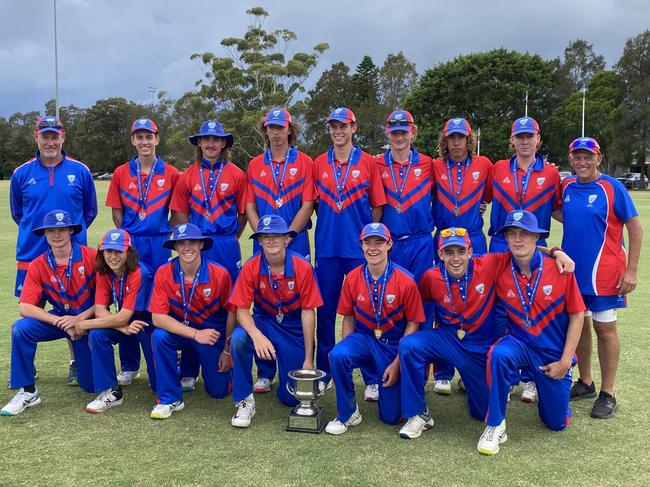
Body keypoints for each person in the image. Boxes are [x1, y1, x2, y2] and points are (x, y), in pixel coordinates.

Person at [400, 226, 575, 439]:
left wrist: (556, 251)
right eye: (449, 252)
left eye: (460, 251)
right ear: (440, 254)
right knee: (409, 345)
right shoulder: (431, 277)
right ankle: (418, 414)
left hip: (480, 349)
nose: (455, 258)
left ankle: (473, 383)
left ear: (470, 251)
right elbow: (420, 307)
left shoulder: (490, 264)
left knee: (481, 412)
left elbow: (521, 248)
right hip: (448, 341)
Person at [478, 210, 585, 455]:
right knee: (498, 354)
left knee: (556, 424)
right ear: (505, 238)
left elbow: (578, 314)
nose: (518, 239)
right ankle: (495, 425)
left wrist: (565, 361)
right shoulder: (500, 264)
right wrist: (555, 249)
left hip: (552, 355)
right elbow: (463, 261)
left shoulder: (560, 270)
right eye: (512, 234)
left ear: (537, 237)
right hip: (520, 345)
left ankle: (544, 387)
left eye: (525, 234)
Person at [10, 115, 98, 385]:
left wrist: (67, 238)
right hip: (31, 253)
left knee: (76, 305)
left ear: (63, 137)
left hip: (72, 254)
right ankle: (28, 367)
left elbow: (89, 212)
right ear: (36, 137)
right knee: (30, 308)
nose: (50, 141)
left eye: (54, 136)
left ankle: (75, 362)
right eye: (44, 136)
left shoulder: (79, 171)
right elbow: (18, 213)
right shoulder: (22, 173)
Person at [560, 137, 643, 418]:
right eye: (577, 157)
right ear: (571, 159)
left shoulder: (612, 187)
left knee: (604, 330)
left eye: (588, 157)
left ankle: (608, 393)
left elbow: (635, 227)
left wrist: (631, 269)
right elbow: (564, 214)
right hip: (573, 273)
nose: (582, 162)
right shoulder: (567, 186)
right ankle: (586, 382)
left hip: (605, 274)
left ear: (599, 158)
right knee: (579, 325)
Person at [485, 116, 561, 402]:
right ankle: (500, 375)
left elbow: (559, 209)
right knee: (499, 311)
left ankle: (532, 376)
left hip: (535, 249)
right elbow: (484, 197)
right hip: (500, 244)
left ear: (538, 139)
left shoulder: (552, 174)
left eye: (530, 136)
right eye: (520, 136)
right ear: (512, 140)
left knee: (532, 310)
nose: (525, 141)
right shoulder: (498, 169)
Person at [313, 108, 387, 398]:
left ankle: (370, 376)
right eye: (333, 126)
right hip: (328, 249)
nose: (338, 131)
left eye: (343, 126)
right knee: (326, 312)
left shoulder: (368, 163)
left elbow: (377, 205)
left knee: (364, 313)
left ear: (354, 127)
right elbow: (315, 203)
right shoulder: (319, 162)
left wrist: (370, 240)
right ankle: (325, 371)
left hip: (358, 251)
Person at [325, 223, 424, 435]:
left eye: (379, 242)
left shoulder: (406, 280)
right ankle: (348, 412)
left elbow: (413, 323)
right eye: (367, 243)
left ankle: (400, 397)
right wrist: (346, 353)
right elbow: (348, 318)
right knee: (338, 354)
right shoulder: (352, 278)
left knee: (391, 417)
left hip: (393, 345)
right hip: (365, 339)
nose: (373, 248)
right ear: (360, 246)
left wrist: (397, 363)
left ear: (389, 244)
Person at [170, 120, 246, 391]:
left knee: (230, 303)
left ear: (223, 143)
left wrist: (230, 237)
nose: (211, 144)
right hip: (195, 243)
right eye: (206, 139)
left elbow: (243, 213)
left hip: (225, 243)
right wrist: (190, 239)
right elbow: (179, 214)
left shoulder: (237, 174)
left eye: (216, 139)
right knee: (189, 298)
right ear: (199, 144)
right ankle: (188, 369)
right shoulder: (187, 176)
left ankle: (229, 356)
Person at [245, 108, 316, 393]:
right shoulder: (254, 165)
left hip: (294, 240)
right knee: (262, 301)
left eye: (280, 127)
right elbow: (250, 206)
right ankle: (265, 371)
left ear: (290, 130)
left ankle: (301, 359)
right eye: (271, 128)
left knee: (298, 301)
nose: (276, 133)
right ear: (266, 131)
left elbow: (308, 203)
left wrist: (289, 235)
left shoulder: (305, 162)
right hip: (264, 242)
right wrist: (263, 237)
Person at [105, 117, 180, 387]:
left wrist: (161, 229)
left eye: (149, 136)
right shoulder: (121, 173)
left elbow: (179, 212)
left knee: (157, 304)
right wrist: (130, 234)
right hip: (132, 242)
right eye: (139, 136)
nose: (145, 141)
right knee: (128, 303)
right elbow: (117, 213)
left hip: (159, 243)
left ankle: (161, 365)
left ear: (157, 139)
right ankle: (129, 365)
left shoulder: (171, 173)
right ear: (133, 140)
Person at [228, 215, 323, 427]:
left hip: (293, 326)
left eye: (277, 236)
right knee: (239, 338)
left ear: (287, 239)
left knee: (290, 397)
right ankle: (244, 399)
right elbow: (242, 311)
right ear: (259, 241)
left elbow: (308, 312)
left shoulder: (302, 266)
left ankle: (283, 374)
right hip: (265, 322)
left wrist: (309, 359)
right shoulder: (251, 267)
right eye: (265, 236)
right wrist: (258, 336)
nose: (271, 241)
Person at [1, 210, 96, 416]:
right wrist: (61, 321)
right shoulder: (38, 264)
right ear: (44, 234)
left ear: (71, 230)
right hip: (60, 320)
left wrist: (79, 320)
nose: (57, 235)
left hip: (88, 323)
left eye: (61, 229)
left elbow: (104, 301)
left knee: (91, 386)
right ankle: (27, 390)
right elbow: (25, 307)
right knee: (21, 329)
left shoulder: (92, 257)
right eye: (51, 230)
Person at [430, 117, 493, 394]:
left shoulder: (484, 165)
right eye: (451, 138)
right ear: (445, 141)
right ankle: (443, 371)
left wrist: (480, 206)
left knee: (476, 304)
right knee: (444, 301)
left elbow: (490, 196)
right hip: (443, 238)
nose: (456, 143)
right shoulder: (434, 167)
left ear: (470, 140)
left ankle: (471, 369)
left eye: (461, 137)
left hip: (473, 239)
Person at [148, 223, 235, 419]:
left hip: (211, 336)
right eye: (181, 243)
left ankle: (194, 369)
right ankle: (170, 398)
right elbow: (158, 318)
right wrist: (196, 334)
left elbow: (232, 313)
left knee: (218, 392)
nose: (187, 247)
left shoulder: (219, 273)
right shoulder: (164, 272)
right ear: (175, 247)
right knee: (159, 336)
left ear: (201, 245)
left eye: (193, 242)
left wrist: (227, 351)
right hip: (184, 332)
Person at [76, 229, 155, 413]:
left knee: (158, 386)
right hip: (124, 323)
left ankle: (162, 383)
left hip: (147, 322)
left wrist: (86, 324)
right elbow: (100, 308)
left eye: (118, 251)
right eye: (108, 251)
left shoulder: (140, 272)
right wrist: (123, 328)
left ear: (128, 252)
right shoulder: (103, 272)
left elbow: (123, 316)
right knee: (97, 335)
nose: (113, 256)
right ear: (102, 252)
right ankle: (110, 391)